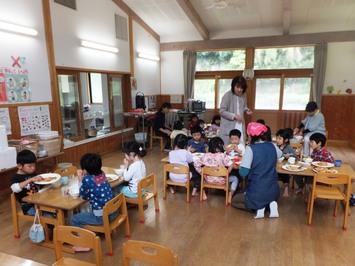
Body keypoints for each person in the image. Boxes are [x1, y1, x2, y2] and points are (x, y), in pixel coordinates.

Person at [231, 122, 283, 219]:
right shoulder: (272, 146)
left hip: (257, 191)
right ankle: (270, 203)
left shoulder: (250, 148)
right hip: (273, 191)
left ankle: (258, 208)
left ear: (250, 136)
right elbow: (280, 155)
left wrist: (241, 166)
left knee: (234, 201)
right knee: (266, 195)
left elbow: (243, 173)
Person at [194, 137, 238, 203]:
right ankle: (230, 193)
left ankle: (203, 193)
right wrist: (227, 173)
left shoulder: (206, 155)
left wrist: (202, 173)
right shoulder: (223, 156)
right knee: (235, 179)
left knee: (201, 177)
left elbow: (196, 164)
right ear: (220, 146)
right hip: (222, 181)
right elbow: (231, 164)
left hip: (208, 180)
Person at [10, 150, 51, 216]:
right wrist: (30, 180)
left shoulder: (32, 173)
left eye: (34, 165)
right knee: (49, 216)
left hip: (39, 202)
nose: (33, 168)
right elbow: (15, 189)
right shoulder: (15, 178)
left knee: (58, 209)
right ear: (20, 166)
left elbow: (39, 186)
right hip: (29, 207)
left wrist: (46, 180)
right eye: (30, 166)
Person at [219, 76, 252, 147]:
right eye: (237, 87)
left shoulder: (243, 95)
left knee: (240, 145)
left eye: (241, 88)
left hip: (240, 124)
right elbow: (222, 111)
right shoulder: (227, 95)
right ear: (233, 85)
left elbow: (244, 106)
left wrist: (246, 110)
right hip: (229, 125)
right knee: (229, 147)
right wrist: (234, 116)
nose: (239, 90)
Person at [275, 128, 297, 197]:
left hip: (285, 167)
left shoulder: (289, 148)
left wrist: (289, 156)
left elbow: (296, 157)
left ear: (286, 140)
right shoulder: (275, 147)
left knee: (285, 174)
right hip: (276, 166)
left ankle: (286, 189)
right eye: (277, 138)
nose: (277, 140)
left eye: (280, 138)